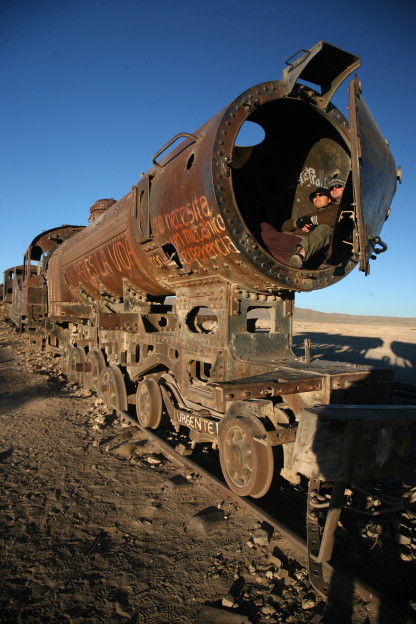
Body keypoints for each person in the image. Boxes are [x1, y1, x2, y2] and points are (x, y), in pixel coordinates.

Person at [261, 187, 339, 268]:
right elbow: (285, 226)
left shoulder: (334, 210)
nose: (317, 197)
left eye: (321, 195)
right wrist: (298, 222)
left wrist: (312, 222)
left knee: (268, 237)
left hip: (309, 242)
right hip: (294, 238)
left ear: (329, 200)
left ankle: (301, 255)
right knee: (265, 226)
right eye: (315, 196)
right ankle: (292, 259)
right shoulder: (308, 214)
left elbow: (331, 221)